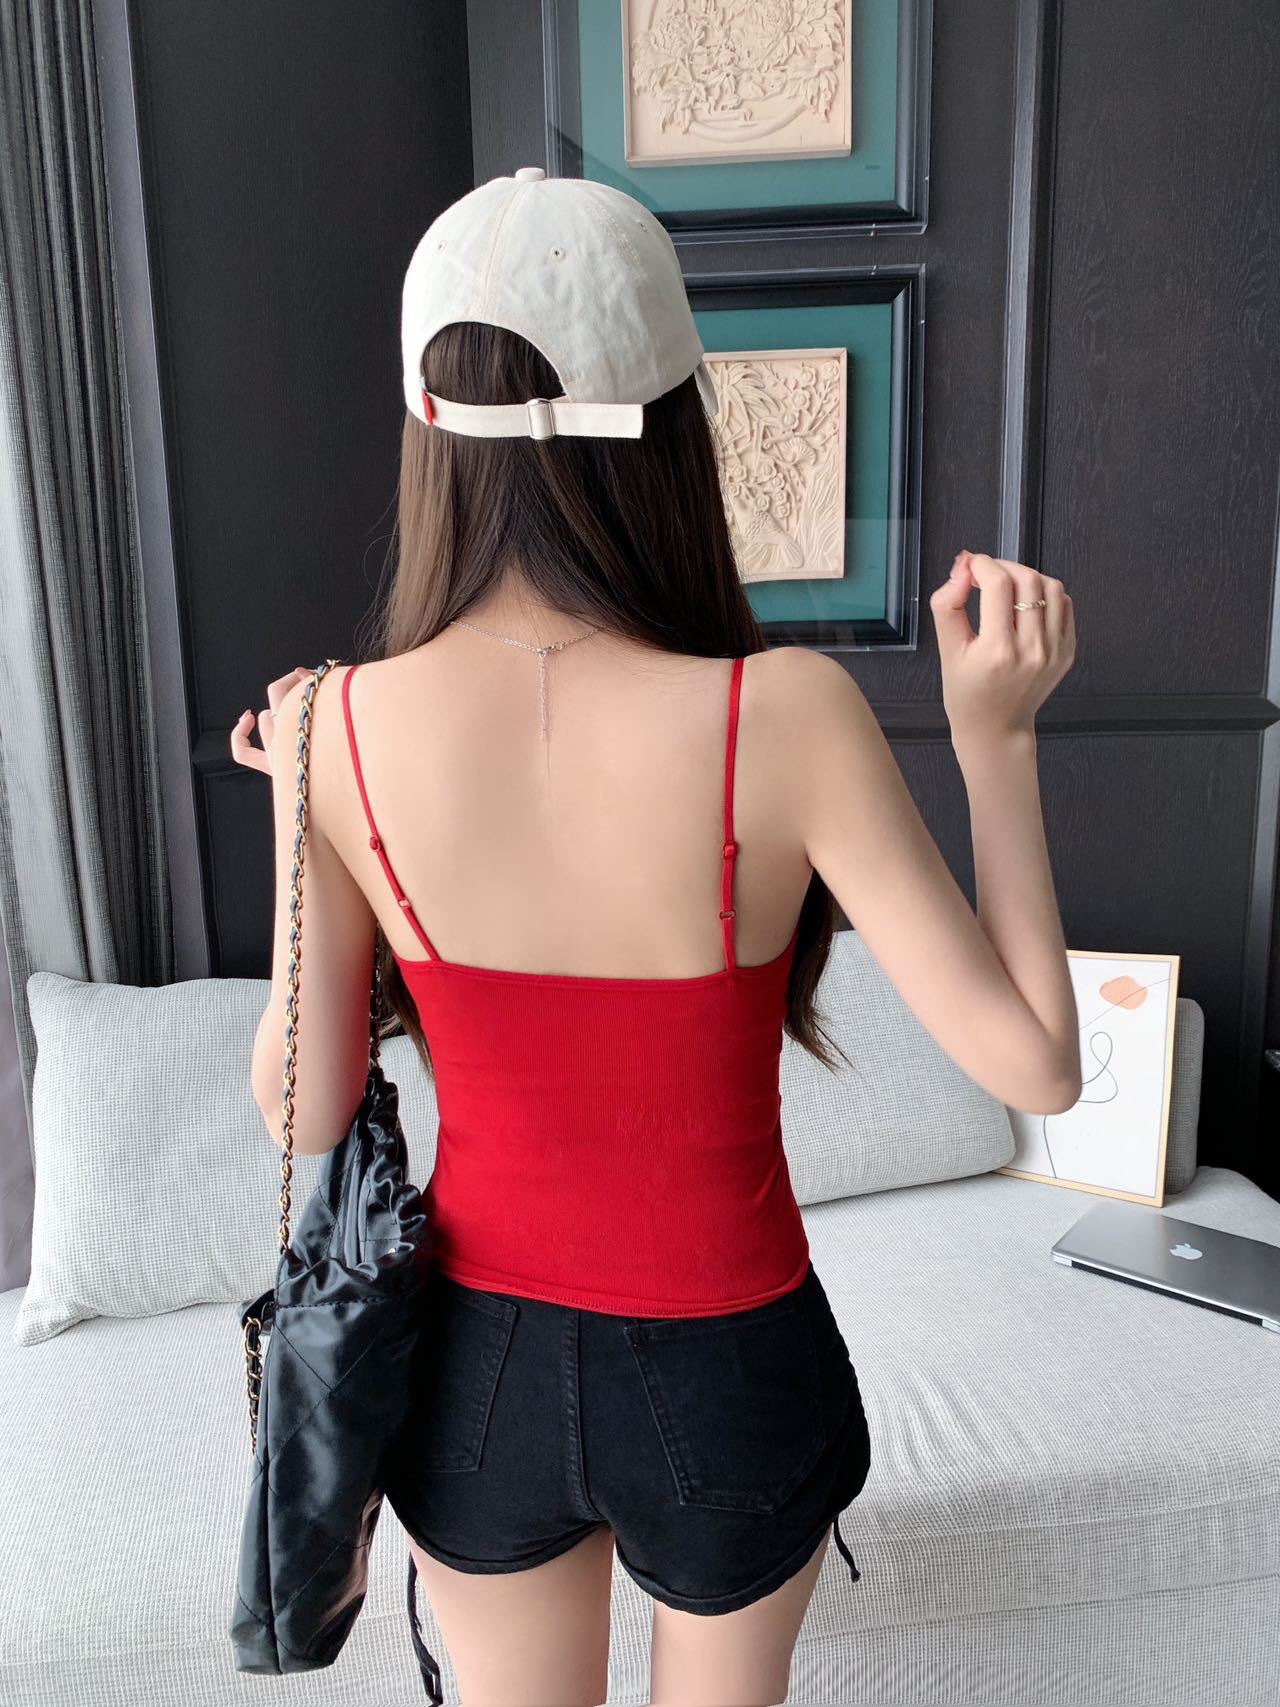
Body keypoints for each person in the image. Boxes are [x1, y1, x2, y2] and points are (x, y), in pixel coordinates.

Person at [230, 167, 1080, 1707]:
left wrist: (302, 801)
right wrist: (997, 742)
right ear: (681, 418)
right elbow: (1038, 1067)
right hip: (730, 1364)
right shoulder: (788, 716)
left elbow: (302, 1111)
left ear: (424, 423)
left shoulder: (331, 728)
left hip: (473, 1381)